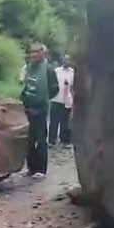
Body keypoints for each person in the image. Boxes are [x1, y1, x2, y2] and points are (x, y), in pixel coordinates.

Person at [20, 43, 59, 179]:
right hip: (28, 107)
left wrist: (43, 101)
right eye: (32, 52)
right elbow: (26, 85)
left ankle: (41, 169)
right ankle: (31, 167)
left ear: (43, 53)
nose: (33, 55)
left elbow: (55, 89)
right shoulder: (29, 68)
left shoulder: (49, 69)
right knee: (29, 139)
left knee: (41, 138)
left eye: (37, 52)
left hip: (41, 109)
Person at [49, 54, 75, 148]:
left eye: (68, 60)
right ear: (62, 61)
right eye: (65, 60)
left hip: (67, 100)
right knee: (53, 121)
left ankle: (65, 141)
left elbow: (73, 87)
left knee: (65, 122)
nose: (66, 62)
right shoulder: (56, 71)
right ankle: (52, 140)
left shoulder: (73, 73)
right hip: (56, 98)